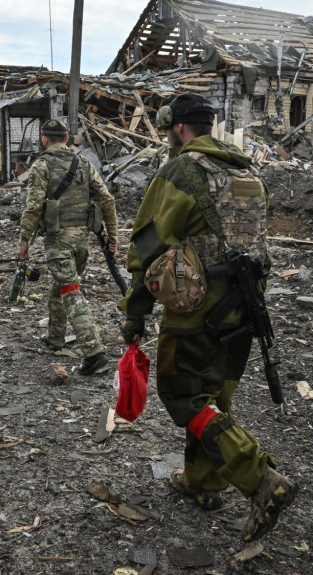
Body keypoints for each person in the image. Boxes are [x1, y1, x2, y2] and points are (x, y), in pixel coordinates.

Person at [118, 93, 297, 541]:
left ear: (178, 127)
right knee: (215, 391)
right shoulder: (247, 170)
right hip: (243, 306)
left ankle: (260, 479)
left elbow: (147, 247)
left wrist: (135, 314)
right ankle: (204, 483)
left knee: (184, 395)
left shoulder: (180, 171)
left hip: (196, 308)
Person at [18, 118, 118, 375]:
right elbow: (107, 200)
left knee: (71, 292)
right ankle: (55, 337)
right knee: (61, 286)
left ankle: (94, 352)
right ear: (66, 140)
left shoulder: (41, 166)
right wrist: (114, 236)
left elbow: (32, 207)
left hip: (58, 242)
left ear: (44, 140)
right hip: (81, 243)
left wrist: (24, 242)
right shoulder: (84, 164)